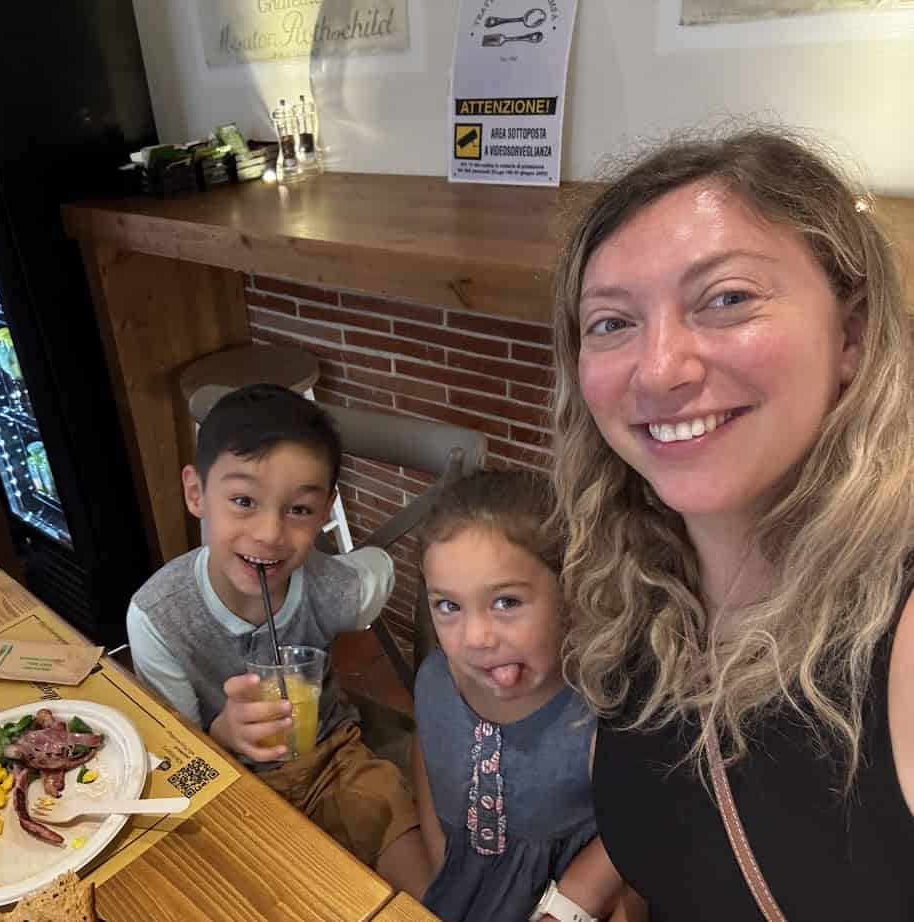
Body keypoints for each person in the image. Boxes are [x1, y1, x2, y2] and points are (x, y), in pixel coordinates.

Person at [550, 129, 914, 919]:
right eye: (612, 322)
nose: (659, 368)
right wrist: (573, 899)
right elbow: (691, 817)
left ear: (850, 335)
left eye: (727, 299)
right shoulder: (635, 585)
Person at [126, 383, 430, 896]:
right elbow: (178, 759)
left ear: (326, 509)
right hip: (227, 782)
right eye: (244, 500)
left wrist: (374, 567)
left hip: (335, 760)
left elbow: (377, 572)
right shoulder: (159, 617)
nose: (269, 533)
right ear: (197, 493)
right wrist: (222, 733)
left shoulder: (330, 586)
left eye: (299, 510)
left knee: (405, 847)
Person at [411, 469, 624, 922]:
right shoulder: (434, 681)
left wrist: (570, 908)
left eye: (506, 602)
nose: (475, 637)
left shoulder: (598, 712)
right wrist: (438, 862)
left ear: (569, 592)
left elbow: (635, 827)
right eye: (448, 606)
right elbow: (425, 755)